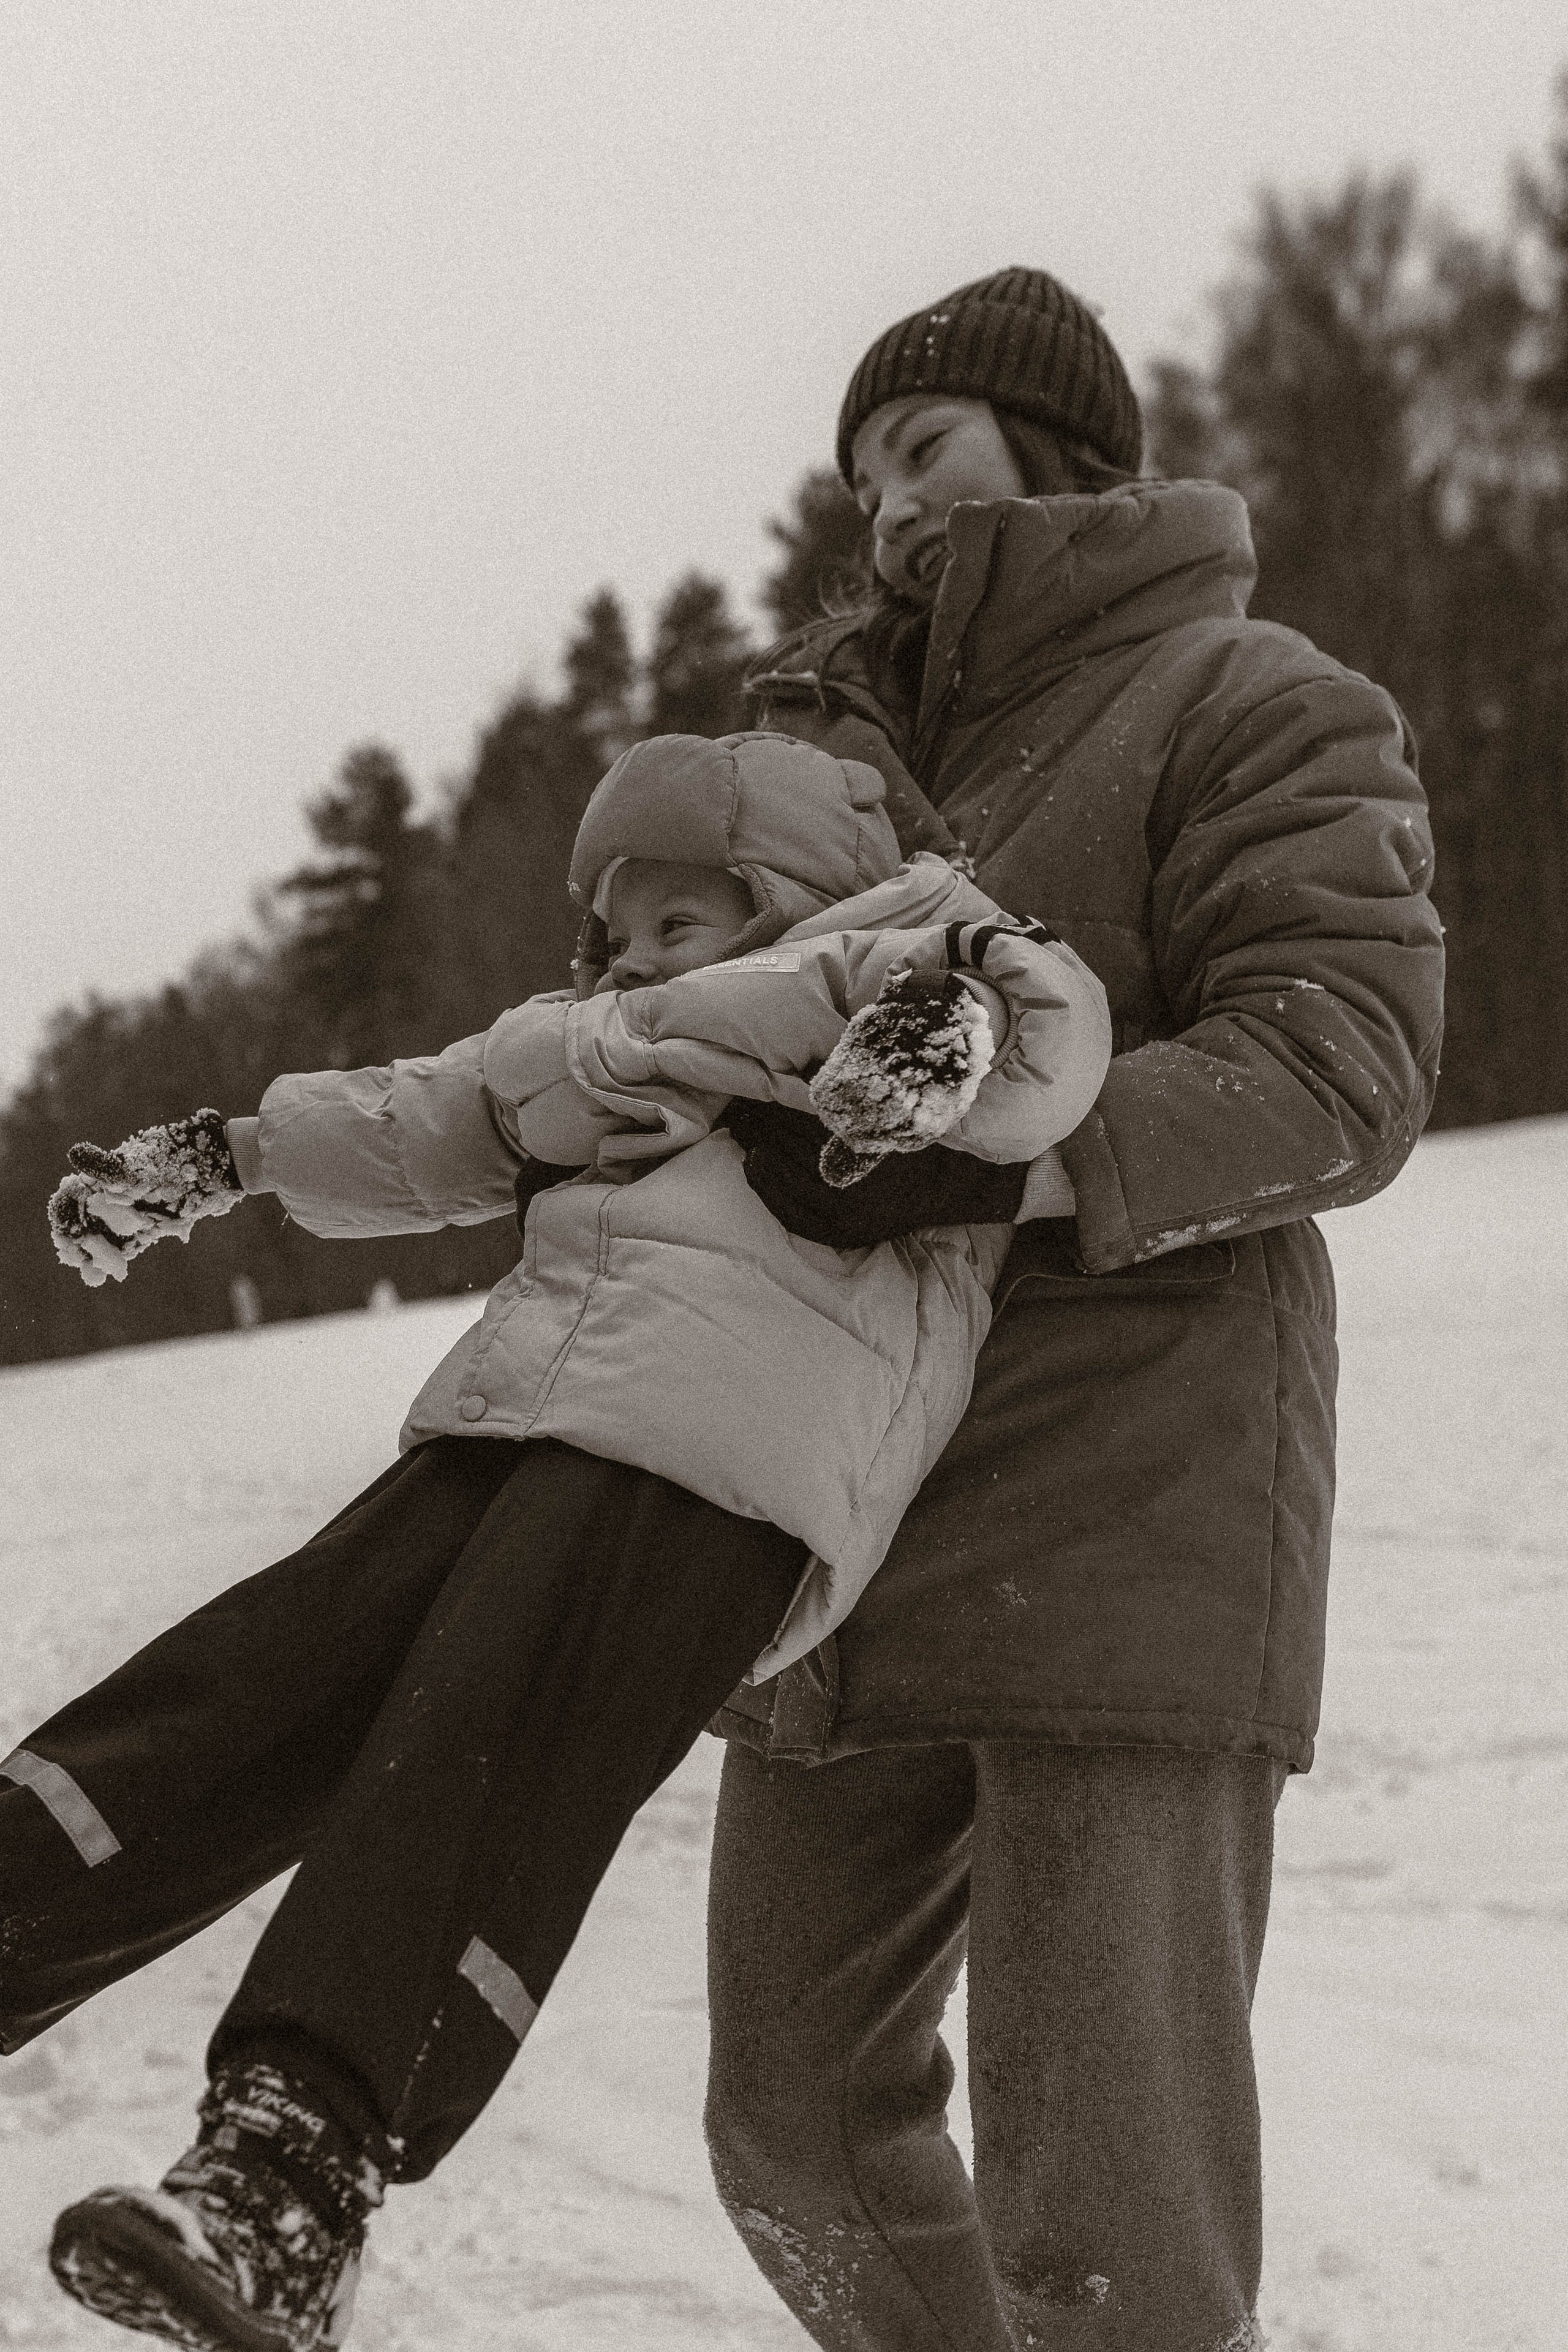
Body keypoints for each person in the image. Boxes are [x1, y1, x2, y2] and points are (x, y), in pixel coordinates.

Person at [3, 726, 1110, 2352]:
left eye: (685, 918)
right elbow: (416, 1117)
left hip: (721, 1462)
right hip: (515, 1431)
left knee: (482, 1752)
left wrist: (936, 1037)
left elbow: (1049, 1039)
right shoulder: (583, 1044)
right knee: (261, 1677)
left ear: (792, 896)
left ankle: (296, 2172)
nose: (640, 954)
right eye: (621, 925)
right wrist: (217, 1158)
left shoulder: (892, 952)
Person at [698, 270, 1447, 2352]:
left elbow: (1342, 1061)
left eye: (921, 449)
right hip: (845, 1520)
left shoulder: (1252, 697)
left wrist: (990, 1149)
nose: (887, 511)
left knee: (1103, 2225)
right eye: (859, 482)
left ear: (1061, 449)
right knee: (789, 2133)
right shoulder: (820, 784)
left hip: (1133, 1512)